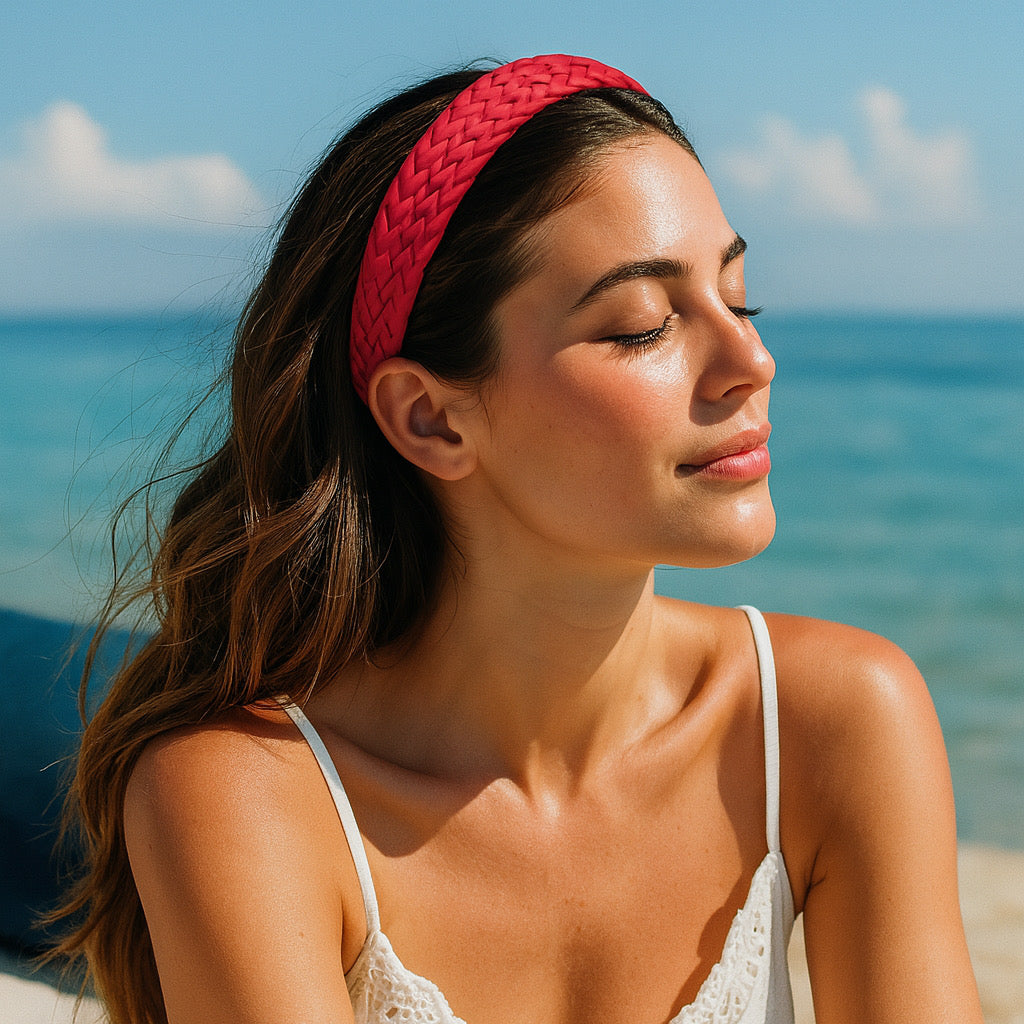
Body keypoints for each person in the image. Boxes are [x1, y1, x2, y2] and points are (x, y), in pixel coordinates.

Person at [54, 55, 982, 1024]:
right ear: (431, 419)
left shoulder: (831, 719)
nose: (750, 359)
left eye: (737, 295)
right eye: (640, 324)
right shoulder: (249, 796)